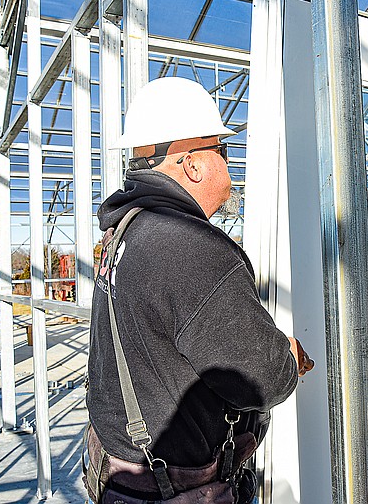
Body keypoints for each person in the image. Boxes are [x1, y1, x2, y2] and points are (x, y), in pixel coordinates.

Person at [84, 77, 314, 504]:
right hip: (171, 488)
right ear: (192, 165)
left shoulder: (126, 231)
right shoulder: (193, 248)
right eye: (223, 151)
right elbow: (262, 380)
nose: (230, 163)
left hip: (121, 474)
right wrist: (286, 355)